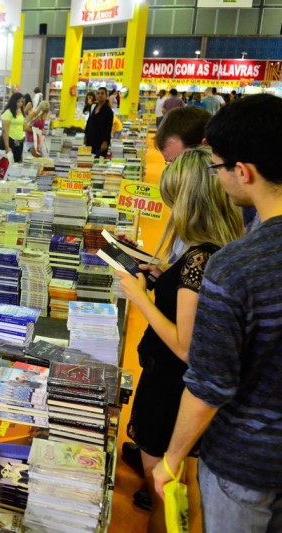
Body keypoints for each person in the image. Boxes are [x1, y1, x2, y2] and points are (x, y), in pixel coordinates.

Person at [153, 94, 282, 533]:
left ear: (242, 172)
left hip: (245, 465)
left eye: (218, 165)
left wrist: (171, 461)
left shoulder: (236, 265)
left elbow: (209, 383)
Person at [115, 147, 243, 533]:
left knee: (163, 484)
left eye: (174, 200)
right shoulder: (215, 251)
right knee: (181, 481)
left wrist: (139, 296)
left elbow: (184, 344)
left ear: (191, 202)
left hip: (170, 386)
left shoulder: (197, 259)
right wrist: (161, 276)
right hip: (181, 388)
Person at [83, 86, 114, 158]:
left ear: (106, 96)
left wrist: (105, 141)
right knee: (88, 160)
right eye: (98, 93)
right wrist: (85, 135)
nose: (100, 95)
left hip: (100, 141)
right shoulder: (94, 106)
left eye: (102, 93)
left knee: (98, 161)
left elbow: (108, 127)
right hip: (90, 139)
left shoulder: (108, 110)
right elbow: (89, 121)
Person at [0, 92, 27, 163]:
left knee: (18, 164)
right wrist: (7, 146)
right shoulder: (8, 112)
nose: (20, 103)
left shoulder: (21, 112)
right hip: (10, 140)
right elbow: (5, 130)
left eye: (22, 102)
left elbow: (22, 127)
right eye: (18, 101)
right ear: (14, 101)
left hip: (20, 141)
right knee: (8, 164)